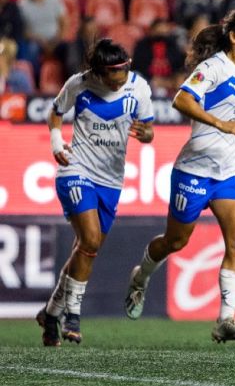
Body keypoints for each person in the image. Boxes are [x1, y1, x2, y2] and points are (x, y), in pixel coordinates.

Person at [123, 8, 235, 343]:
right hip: (195, 170)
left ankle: (226, 319)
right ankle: (140, 278)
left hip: (232, 173)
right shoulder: (213, 67)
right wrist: (220, 124)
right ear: (234, 37)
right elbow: (182, 100)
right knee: (175, 241)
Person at [35, 38, 154, 346]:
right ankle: (72, 315)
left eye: (125, 70)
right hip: (76, 170)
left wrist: (146, 134)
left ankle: (50, 314)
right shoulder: (79, 84)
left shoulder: (138, 87)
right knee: (88, 240)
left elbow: (149, 130)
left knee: (86, 249)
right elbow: (55, 112)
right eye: (116, 73)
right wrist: (56, 144)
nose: (122, 78)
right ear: (100, 73)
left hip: (111, 180)